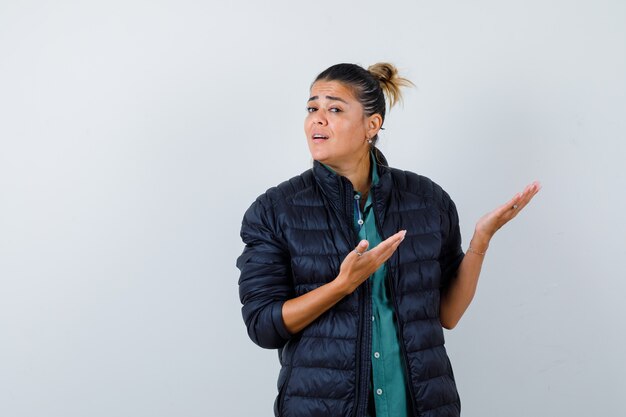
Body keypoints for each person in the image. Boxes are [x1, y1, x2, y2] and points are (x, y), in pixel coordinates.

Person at [236, 62, 540, 417]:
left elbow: (448, 314)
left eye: (334, 108)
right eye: (311, 108)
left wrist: (480, 242)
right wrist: (342, 285)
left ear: (372, 124)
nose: (317, 119)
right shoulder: (275, 210)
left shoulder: (427, 200)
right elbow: (263, 325)